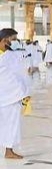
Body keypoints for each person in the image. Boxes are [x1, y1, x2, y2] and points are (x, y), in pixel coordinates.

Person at [0, 28, 30, 159]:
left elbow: (20, 74)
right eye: (14, 39)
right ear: (5, 40)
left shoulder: (10, 55)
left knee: (9, 123)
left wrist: (25, 91)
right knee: (10, 123)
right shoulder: (7, 56)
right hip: (8, 95)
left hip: (11, 94)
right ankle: (8, 151)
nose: (16, 42)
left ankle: (9, 149)